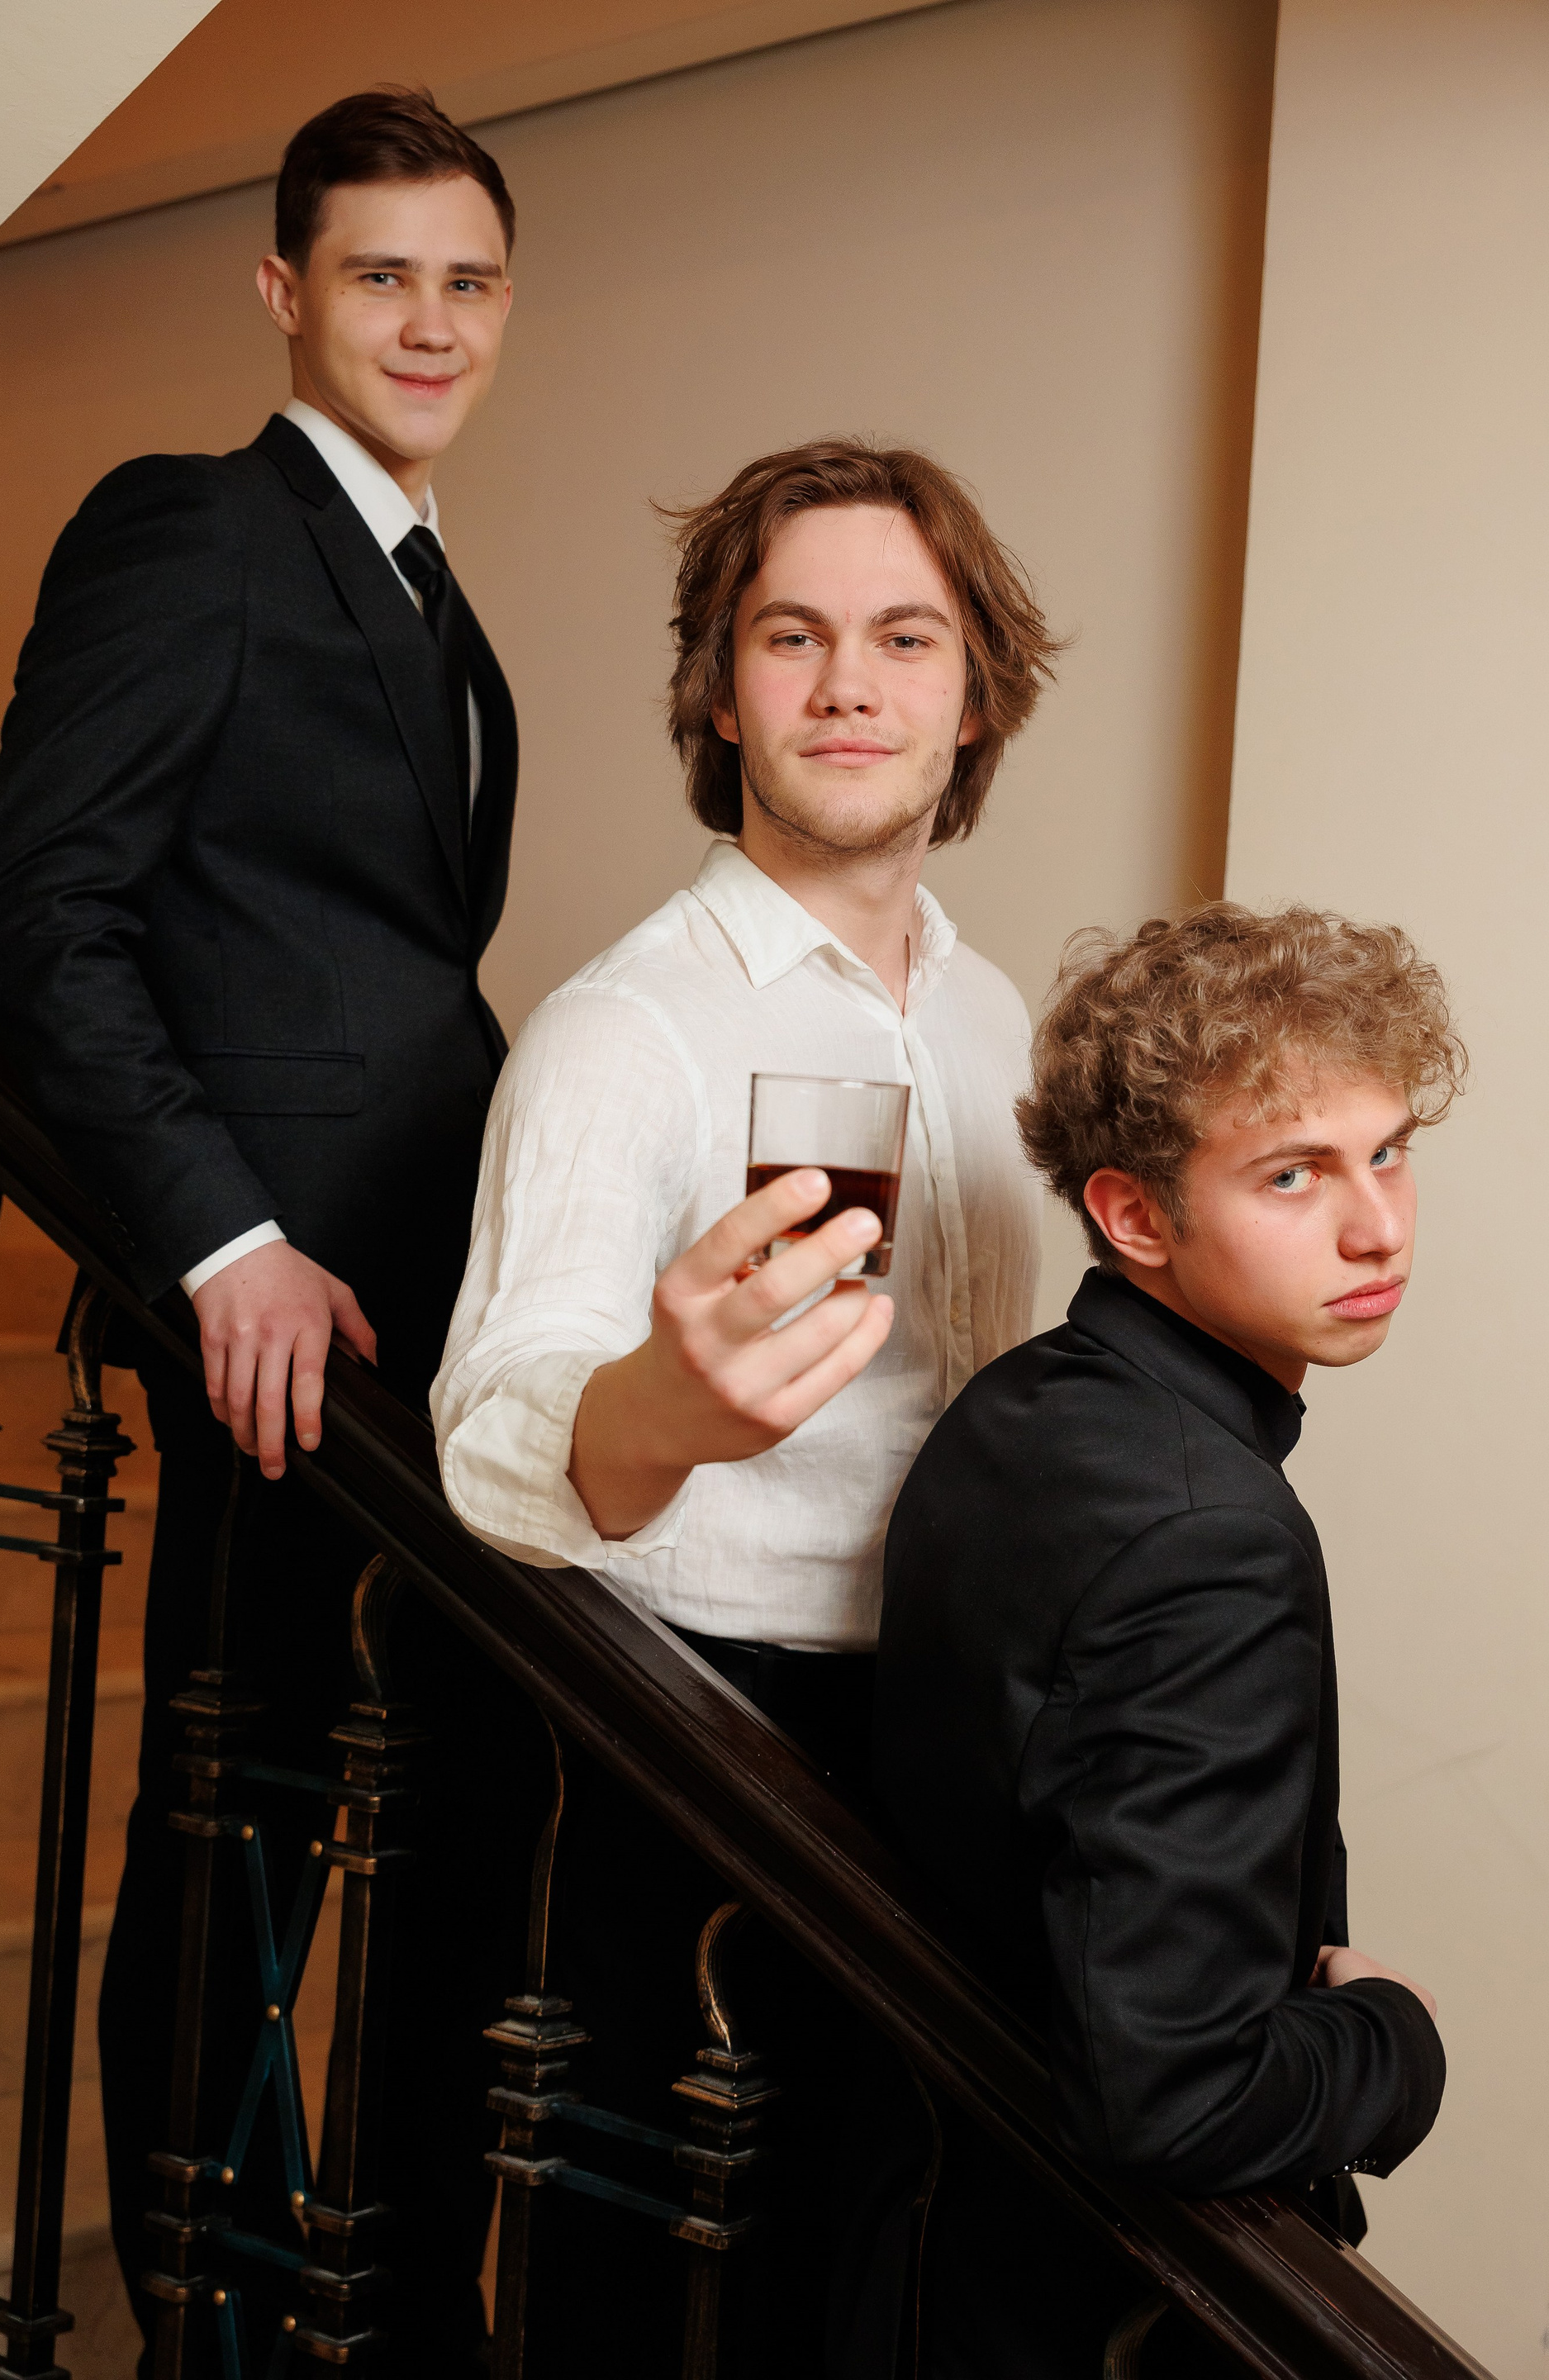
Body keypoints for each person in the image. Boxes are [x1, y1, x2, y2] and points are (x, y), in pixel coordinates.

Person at [0, 87, 531, 2376]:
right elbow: (38, 906)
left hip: (419, 1342)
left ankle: (339, 2304)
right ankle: (200, 2320)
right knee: (232, 1835)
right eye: (382, 274)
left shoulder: (429, 587)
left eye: (468, 281)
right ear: (284, 289)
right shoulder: (192, 526)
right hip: (272, 1342)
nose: (430, 320)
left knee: (378, 1822)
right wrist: (217, 1240)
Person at [433, 438, 1058, 2370]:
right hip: (706, 1748)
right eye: (792, 636)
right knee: (661, 2318)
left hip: (941, 1733)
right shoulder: (627, 1027)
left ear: (976, 698)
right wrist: (664, 1403)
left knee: (880, 2292)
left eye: (905, 638)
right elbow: (493, 1431)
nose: (848, 683)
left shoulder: (993, 1018)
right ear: (721, 690)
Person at [857, 905, 1459, 2376]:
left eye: (1387, 1152)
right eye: (1294, 1173)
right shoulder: (1211, 1541)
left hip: (928, 2235)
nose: (1378, 1224)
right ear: (1133, 1217)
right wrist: (1396, 2041)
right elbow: (1175, 2096)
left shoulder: (1021, 1404)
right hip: (1079, 2303)